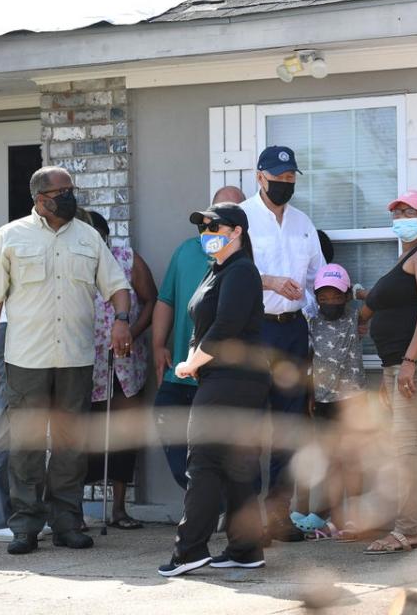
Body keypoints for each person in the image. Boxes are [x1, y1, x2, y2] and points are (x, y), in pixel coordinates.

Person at [0, 166, 131, 555]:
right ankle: (25, 527)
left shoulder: (88, 237)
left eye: (71, 189)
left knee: (71, 445)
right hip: (26, 359)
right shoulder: (11, 237)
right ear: (40, 199)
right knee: (26, 446)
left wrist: (122, 320)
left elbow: (117, 286)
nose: (69, 196)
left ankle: (67, 523)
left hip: (75, 359)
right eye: (61, 191)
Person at [158, 202, 270, 577]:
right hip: (220, 379)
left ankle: (189, 550)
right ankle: (245, 548)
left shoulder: (241, 273)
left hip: (234, 381)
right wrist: (193, 359)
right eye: (202, 227)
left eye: (214, 226)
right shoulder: (216, 271)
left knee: (203, 464)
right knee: (235, 466)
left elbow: (225, 329)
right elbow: (199, 326)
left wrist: (191, 364)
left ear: (236, 231)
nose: (206, 233)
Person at [359, 190, 417, 554]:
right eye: (396, 210)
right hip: (400, 364)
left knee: (402, 446)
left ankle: (406, 530)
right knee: (415, 446)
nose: (400, 215)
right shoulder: (407, 258)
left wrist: (410, 363)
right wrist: (363, 311)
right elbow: (387, 302)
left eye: (408, 210)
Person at [239, 146, 323, 543]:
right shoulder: (239, 218)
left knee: (289, 427)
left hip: (292, 333)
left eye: (290, 178)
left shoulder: (304, 223)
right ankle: (245, 518)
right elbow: (223, 274)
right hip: (254, 332)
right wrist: (268, 281)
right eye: (277, 177)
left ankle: (279, 514)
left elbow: (317, 279)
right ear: (259, 177)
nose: (284, 184)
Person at [151, 186, 244, 490]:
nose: (210, 227)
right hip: (179, 370)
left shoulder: (242, 262)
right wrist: (158, 345)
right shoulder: (186, 250)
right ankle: (204, 500)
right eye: (207, 219)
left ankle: (213, 507)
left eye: (218, 221)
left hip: (217, 375)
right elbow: (166, 300)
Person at [83, 210, 157, 529]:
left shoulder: (127, 259)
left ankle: (119, 509)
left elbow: (151, 300)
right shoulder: (71, 264)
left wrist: (131, 332)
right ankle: (74, 510)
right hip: (84, 364)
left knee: (123, 434)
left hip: (124, 364)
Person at [303, 263, 368, 541]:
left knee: (352, 461)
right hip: (322, 402)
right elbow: (308, 362)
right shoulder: (311, 321)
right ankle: (333, 517)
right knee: (331, 462)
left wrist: (359, 293)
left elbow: (379, 300)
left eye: (337, 296)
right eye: (324, 297)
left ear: (346, 298)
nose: (330, 302)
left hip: (352, 401)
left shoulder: (353, 318)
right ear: (316, 298)